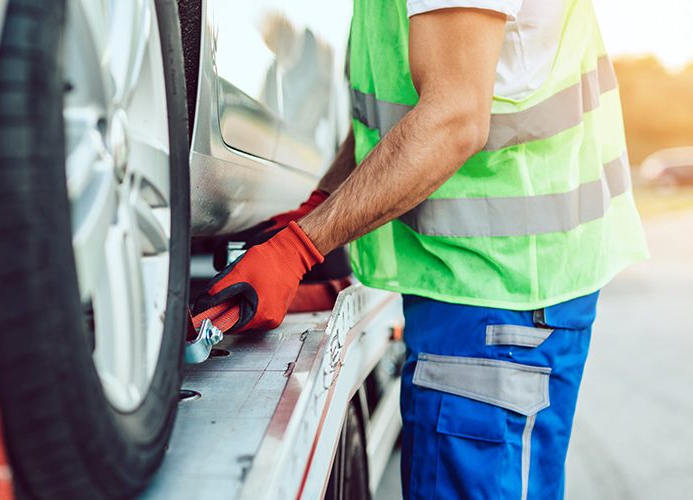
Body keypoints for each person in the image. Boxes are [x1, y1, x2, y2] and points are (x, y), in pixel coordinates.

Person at [191, 0, 649, 498]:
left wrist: (301, 248)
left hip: (500, 299)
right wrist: (319, 209)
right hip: (481, 293)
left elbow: (453, 118)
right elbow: (393, 121)